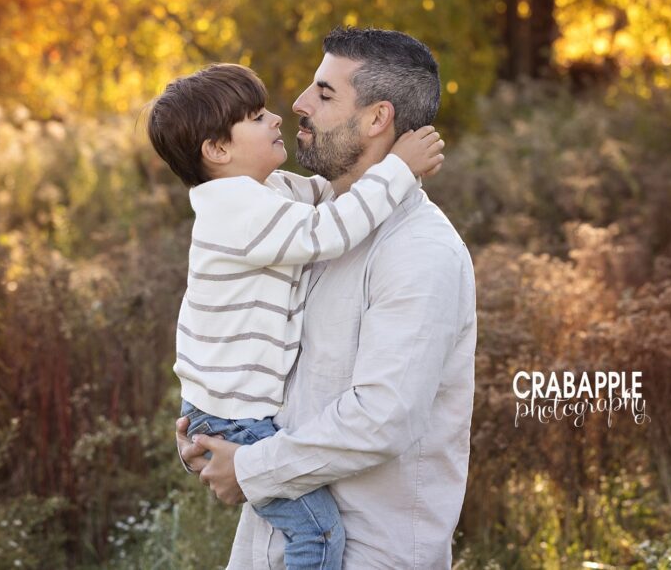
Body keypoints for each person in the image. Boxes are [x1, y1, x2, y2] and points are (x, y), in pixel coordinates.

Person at [176, 28, 477, 568]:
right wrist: (211, 425)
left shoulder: (419, 251)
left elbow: (381, 418)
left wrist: (248, 468)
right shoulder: (307, 224)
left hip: (367, 552)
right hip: (266, 549)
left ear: (377, 118)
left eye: (325, 93)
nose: (297, 105)